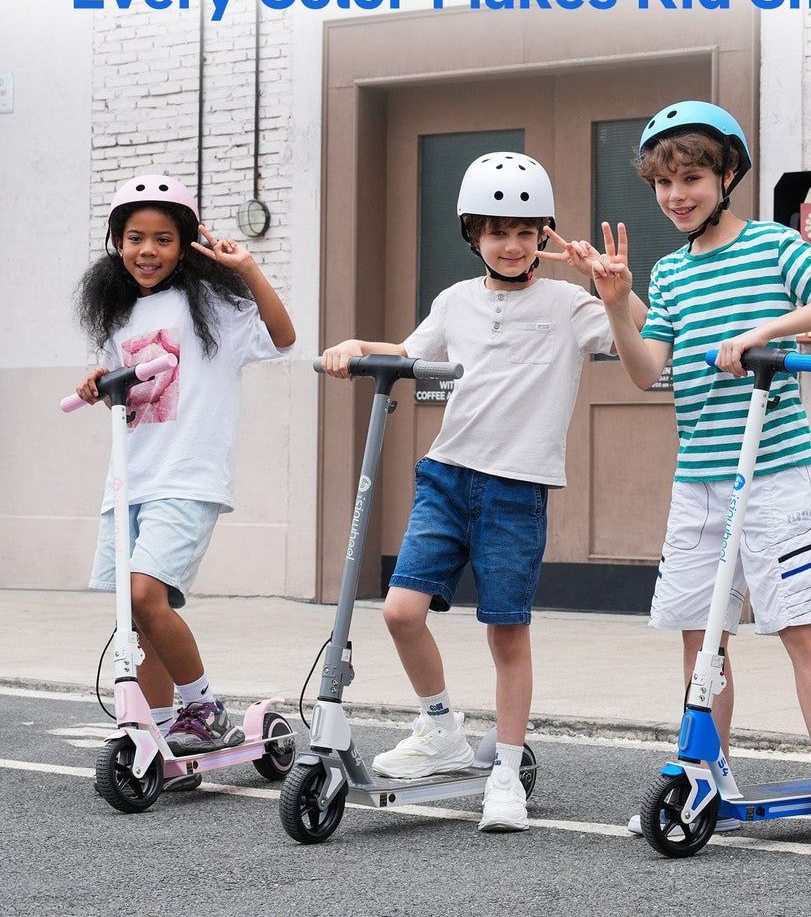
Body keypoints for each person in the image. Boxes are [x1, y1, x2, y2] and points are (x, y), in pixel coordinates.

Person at [321, 151, 645, 832]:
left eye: (526, 231)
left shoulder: (568, 303)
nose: (512, 243)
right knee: (402, 612)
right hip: (447, 477)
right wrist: (356, 347)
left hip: (516, 491)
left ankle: (505, 771)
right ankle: (441, 727)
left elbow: (637, 338)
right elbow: (412, 354)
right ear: (472, 233)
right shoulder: (454, 300)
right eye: (496, 229)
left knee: (505, 633)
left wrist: (611, 289)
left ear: (544, 236)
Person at [588, 101, 811, 852]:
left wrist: (764, 330)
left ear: (726, 178)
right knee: (701, 638)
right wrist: (619, 307)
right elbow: (649, 370)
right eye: (664, 183)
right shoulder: (669, 273)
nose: (677, 194)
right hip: (701, 480)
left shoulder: (773, 246)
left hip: (775, 475)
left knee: (800, 631)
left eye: (692, 178)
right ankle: (707, 776)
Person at [75, 174, 295, 785]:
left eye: (164, 239)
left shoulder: (213, 308)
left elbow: (283, 337)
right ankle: (167, 734)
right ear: (116, 243)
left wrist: (249, 270)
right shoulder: (120, 315)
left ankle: (201, 706)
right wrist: (99, 383)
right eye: (134, 238)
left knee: (147, 596)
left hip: (187, 476)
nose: (148, 250)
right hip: (130, 481)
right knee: (136, 616)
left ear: (187, 243)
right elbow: (135, 394)